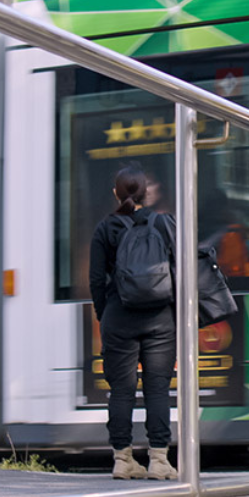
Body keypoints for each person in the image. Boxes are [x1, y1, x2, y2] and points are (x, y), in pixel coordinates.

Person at [89, 166, 179, 480]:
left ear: (116, 193)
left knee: (121, 392)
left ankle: (122, 460)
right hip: (160, 320)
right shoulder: (166, 223)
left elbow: (96, 281)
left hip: (118, 317)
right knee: (158, 390)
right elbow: (180, 273)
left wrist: (106, 315)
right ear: (145, 193)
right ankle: (158, 460)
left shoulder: (105, 228)